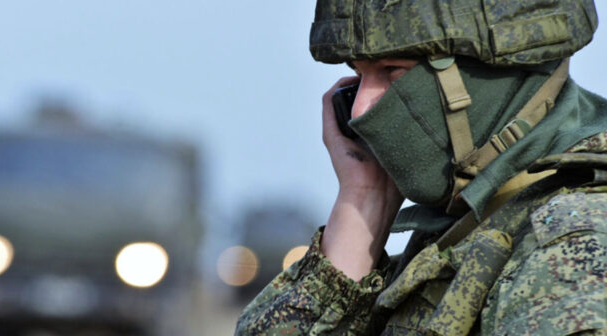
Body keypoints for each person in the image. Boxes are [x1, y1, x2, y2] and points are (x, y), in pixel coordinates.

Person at [236, 0, 607, 335]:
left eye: (393, 71)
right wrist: (363, 204)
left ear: (492, 75)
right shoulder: (466, 223)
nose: (360, 111)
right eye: (359, 76)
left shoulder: (571, 245)